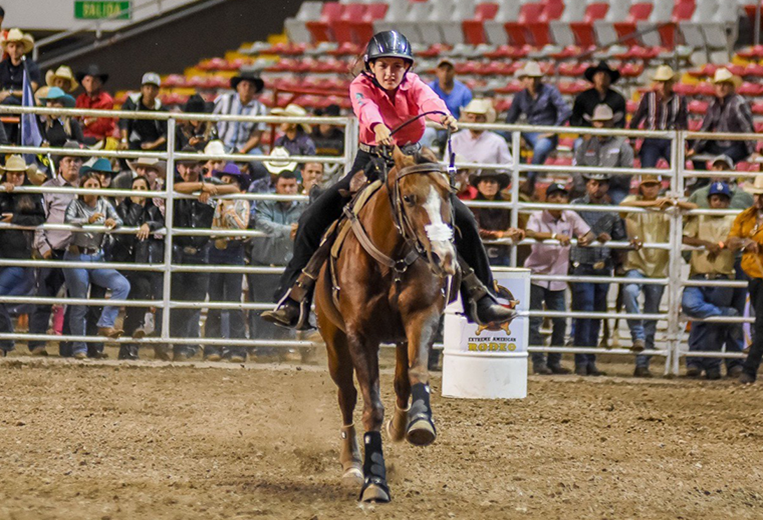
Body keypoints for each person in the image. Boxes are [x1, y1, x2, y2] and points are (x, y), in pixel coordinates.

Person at [262, 30, 515, 330]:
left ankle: (481, 295)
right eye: (383, 65)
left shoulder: (414, 84)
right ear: (371, 66)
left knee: (464, 219)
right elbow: (364, 107)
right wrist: (378, 126)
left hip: (412, 163)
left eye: (397, 66)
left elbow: (429, 101)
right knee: (311, 218)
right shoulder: (361, 84)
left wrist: (443, 116)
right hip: (369, 163)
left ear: (406, 68)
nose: (390, 72)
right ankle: (294, 297)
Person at [620, 175, 696, 377]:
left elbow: (692, 210)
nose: (650, 188)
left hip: (658, 267)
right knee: (629, 290)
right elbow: (621, 207)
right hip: (636, 264)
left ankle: (642, 363)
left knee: (651, 316)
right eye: (647, 185)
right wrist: (657, 203)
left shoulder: (668, 209)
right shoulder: (633, 203)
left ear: (659, 186)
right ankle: (638, 337)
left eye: (653, 185)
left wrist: (674, 203)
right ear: (641, 187)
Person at [170, 148, 239, 361]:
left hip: (200, 250)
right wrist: (202, 186)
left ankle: (184, 344)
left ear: (201, 167)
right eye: (185, 166)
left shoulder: (211, 184)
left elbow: (234, 189)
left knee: (195, 298)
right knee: (177, 298)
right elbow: (175, 187)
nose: (189, 169)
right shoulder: (178, 184)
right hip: (178, 251)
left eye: (193, 166)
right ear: (179, 167)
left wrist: (211, 189)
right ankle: (179, 345)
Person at [524, 183, 594, 374]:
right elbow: (529, 233)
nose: (558, 200)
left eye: (562, 196)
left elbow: (588, 233)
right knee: (535, 320)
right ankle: (539, 362)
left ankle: (554, 361)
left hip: (558, 276)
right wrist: (555, 236)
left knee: (560, 320)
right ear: (547, 199)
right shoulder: (537, 215)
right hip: (537, 274)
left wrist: (586, 239)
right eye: (554, 196)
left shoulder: (570, 215)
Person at [63, 172, 130, 359]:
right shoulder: (75, 204)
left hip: (96, 256)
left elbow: (119, 220)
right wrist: (88, 220)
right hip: (77, 256)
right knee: (80, 304)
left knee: (122, 285)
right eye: (89, 185)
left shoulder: (105, 204)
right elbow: (67, 221)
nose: (93, 189)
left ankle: (105, 323)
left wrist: (113, 222)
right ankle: (79, 348)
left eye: (96, 185)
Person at [681, 181, 741, 379]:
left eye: (723, 200)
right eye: (715, 199)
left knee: (708, 322)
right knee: (700, 313)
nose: (719, 203)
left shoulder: (734, 219)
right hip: (700, 273)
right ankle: (727, 315)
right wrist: (706, 243)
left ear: (728, 202)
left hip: (722, 275)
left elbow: (737, 240)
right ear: (709, 201)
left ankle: (706, 364)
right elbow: (685, 238)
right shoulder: (699, 217)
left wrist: (722, 244)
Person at [29, 142, 83, 357]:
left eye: (76, 160)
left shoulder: (85, 188)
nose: (73, 164)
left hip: (76, 250)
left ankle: (68, 346)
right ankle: (37, 343)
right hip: (54, 248)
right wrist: (43, 246)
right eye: (68, 160)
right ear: (60, 164)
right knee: (45, 296)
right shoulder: (49, 188)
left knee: (74, 300)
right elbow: (39, 220)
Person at [570, 173, 626, 376]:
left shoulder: (610, 211)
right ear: (587, 185)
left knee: (594, 314)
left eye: (601, 184)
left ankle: (588, 360)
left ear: (607, 187)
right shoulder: (577, 206)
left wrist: (612, 240)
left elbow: (620, 238)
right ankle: (583, 360)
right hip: (583, 263)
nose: (597, 188)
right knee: (586, 313)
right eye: (594, 184)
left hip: (602, 265)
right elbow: (573, 233)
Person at [250, 170, 306, 356]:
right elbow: (261, 223)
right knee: (262, 307)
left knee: (288, 307)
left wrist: (290, 230)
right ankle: (263, 348)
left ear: (297, 186)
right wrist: (288, 230)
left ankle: (284, 349)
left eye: (291, 186)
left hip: (289, 267)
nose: (288, 190)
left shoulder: (303, 206)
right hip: (265, 263)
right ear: (277, 186)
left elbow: (303, 227)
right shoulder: (265, 202)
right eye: (284, 186)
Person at [113, 176, 165, 360]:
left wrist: (148, 224)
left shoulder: (153, 209)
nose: (139, 191)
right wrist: (136, 207)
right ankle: (129, 347)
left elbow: (161, 224)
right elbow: (125, 232)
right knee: (135, 307)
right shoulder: (123, 208)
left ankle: (133, 347)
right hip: (131, 264)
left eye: (143, 187)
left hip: (148, 263)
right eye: (135, 187)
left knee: (143, 305)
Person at [204, 163, 250, 363]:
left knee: (233, 301)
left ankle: (236, 349)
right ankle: (212, 347)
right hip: (216, 249)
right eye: (223, 181)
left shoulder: (241, 202)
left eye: (230, 182)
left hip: (233, 250)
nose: (226, 184)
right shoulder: (212, 201)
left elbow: (242, 229)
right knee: (214, 300)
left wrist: (229, 210)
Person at [0, 156, 45, 357]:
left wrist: (16, 218)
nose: (16, 177)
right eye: (12, 173)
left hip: (19, 257)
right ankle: (6, 342)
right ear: (6, 173)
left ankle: (7, 341)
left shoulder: (31, 194)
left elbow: (40, 218)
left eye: (19, 174)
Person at [505, 61, 571, 193]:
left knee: (541, 147)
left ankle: (530, 179)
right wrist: (515, 135)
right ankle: (520, 165)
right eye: (529, 78)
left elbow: (565, 111)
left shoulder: (550, 91)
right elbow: (509, 120)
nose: (532, 81)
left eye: (535, 78)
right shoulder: (520, 96)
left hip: (546, 131)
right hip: (529, 131)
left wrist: (554, 129)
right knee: (498, 133)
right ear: (524, 80)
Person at [728, 175, 763, 384]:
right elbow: (731, 240)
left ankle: (749, 369)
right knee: (761, 324)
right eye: (758, 195)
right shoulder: (745, 217)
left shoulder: (747, 217)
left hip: (757, 275)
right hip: (754, 275)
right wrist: (744, 241)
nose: (759, 199)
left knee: (761, 324)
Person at [688, 68, 754, 169]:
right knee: (693, 143)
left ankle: (723, 181)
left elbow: (747, 128)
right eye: (718, 84)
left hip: (737, 145)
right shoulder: (713, 104)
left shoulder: (738, 103)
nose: (721, 88)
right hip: (720, 144)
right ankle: (701, 180)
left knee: (723, 160)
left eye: (725, 84)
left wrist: (752, 151)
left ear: (731, 87)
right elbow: (705, 128)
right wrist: (694, 149)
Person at [572, 104, 634, 204]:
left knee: (623, 207)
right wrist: (588, 188)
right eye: (599, 122)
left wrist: (605, 184)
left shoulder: (622, 145)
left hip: (614, 190)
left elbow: (627, 173)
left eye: (606, 122)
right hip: (588, 189)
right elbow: (576, 170)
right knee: (574, 206)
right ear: (593, 124)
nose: (602, 125)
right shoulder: (584, 146)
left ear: (612, 122)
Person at [629, 65, 688, 168]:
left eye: (667, 82)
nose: (663, 85)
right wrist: (632, 142)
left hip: (671, 139)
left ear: (671, 83)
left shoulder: (679, 100)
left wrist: (685, 144)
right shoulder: (648, 97)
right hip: (652, 138)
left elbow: (683, 123)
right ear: (657, 83)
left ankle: (679, 184)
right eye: (661, 82)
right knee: (648, 168)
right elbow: (636, 119)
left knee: (679, 166)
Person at [468, 169, 525, 266]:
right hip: (479, 253)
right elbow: (475, 231)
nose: (489, 185)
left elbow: (520, 226)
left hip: (502, 253)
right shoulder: (472, 206)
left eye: (492, 182)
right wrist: (503, 234)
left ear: (498, 185)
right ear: (478, 185)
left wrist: (518, 232)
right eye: (485, 182)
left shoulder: (507, 206)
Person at [423, 57, 473, 149]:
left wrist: (455, 124)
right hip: (434, 126)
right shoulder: (429, 88)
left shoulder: (464, 91)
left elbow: (467, 115)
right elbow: (423, 112)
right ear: (437, 72)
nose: (445, 73)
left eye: (448, 70)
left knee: (465, 134)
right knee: (427, 132)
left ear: (454, 72)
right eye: (442, 70)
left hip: (455, 127)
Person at [213, 72, 267, 155]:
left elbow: (256, 136)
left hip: (246, 147)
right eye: (244, 85)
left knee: (259, 164)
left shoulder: (260, 108)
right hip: (222, 144)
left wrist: (243, 150)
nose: (247, 88)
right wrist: (216, 141)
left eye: (251, 86)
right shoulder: (224, 100)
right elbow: (210, 121)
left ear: (255, 90)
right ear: (238, 87)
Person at [451, 98, 512, 166]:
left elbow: (507, 166)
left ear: (485, 119)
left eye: (478, 117)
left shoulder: (497, 141)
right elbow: (446, 165)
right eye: (470, 117)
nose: (474, 121)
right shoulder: (455, 139)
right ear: (466, 119)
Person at [119, 72, 168, 152]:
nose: (150, 91)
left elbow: (167, 133)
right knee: (123, 150)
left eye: (153, 89)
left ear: (157, 91)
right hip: (135, 141)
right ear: (142, 89)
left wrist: (153, 145)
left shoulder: (161, 108)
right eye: (147, 88)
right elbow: (124, 121)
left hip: (155, 143)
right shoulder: (132, 102)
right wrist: (124, 141)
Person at [570, 61, 626, 130]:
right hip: (587, 134)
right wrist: (584, 132)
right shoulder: (583, 98)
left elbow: (620, 121)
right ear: (593, 77)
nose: (602, 77)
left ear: (610, 78)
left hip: (611, 135)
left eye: (606, 74)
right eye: (599, 74)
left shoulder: (618, 99)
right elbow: (575, 119)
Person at [687, 155, 753, 210]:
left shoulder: (745, 197)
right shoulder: (698, 195)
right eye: (717, 167)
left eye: (725, 168)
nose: (720, 171)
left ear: (732, 171)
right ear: (711, 169)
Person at [74, 65, 116, 145]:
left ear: (100, 83)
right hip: (81, 137)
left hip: (100, 138)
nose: (91, 83)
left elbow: (101, 127)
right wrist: (91, 120)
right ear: (83, 83)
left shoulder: (106, 100)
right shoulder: (80, 99)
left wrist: (84, 123)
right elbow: (75, 122)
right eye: (87, 80)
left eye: (95, 81)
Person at [0, 29, 39, 104]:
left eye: (18, 46)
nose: (14, 50)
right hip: (3, 102)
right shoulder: (2, 66)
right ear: (7, 49)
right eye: (11, 46)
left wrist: (10, 92)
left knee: (9, 101)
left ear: (23, 48)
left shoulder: (30, 66)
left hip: (23, 103)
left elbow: (32, 89)